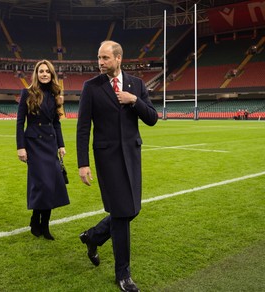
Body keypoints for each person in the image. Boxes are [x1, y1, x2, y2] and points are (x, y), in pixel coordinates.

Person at [76, 40, 158, 291]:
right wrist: (83, 164)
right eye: (99, 58)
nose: (100, 63)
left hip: (132, 156)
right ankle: (123, 274)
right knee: (122, 214)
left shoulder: (137, 85)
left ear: (119, 58)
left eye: (105, 58)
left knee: (132, 210)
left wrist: (134, 100)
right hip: (107, 159)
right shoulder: (91, 87)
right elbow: (83, 128)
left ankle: (93, 237)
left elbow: (152, 118)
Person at [16, 59, 70, 240]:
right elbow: (19, 123)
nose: (45, 74)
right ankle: (36, 219)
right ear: (36, 74)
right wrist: (20, 147)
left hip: (50, 144)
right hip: (33, 145)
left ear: (52, 74)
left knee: (51, 186)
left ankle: (43, 224)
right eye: (41, 71)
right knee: (42, 185)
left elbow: (56, 122)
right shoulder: (27, 93)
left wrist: (61, 145)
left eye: (48, 71)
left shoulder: (56, 94)